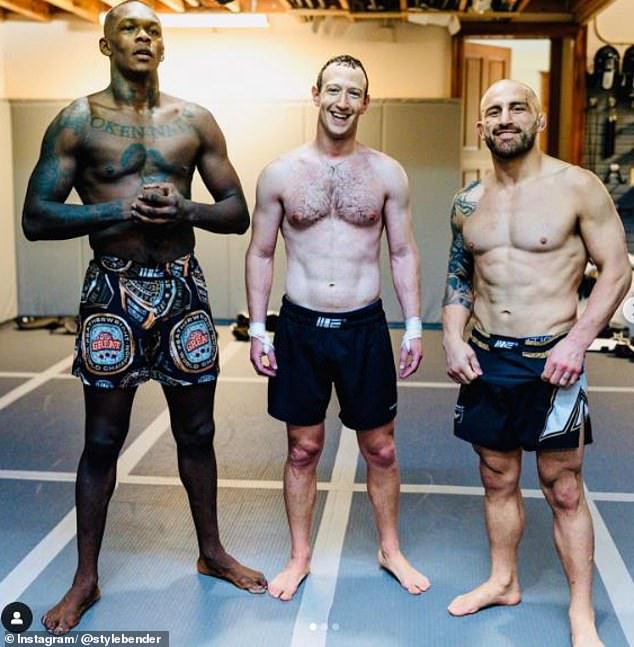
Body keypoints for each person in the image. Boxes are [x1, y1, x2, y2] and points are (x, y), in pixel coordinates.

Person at [22, 0, 266, 634]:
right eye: (128, 28)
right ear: (106, 45)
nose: (142, 37)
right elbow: (37, 217)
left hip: (183, 288)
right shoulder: (77, 122)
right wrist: (119, 210)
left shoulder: (194, 120)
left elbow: (236, 211)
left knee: (199, 433)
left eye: (152, 29)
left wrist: (185, 210)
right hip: (112, 289)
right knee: (102, 440)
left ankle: (212, 552)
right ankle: (85, 578)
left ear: (163, 45)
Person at [442, 79, 631, 646]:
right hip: (487, 358)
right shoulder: (467, 201)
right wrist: (452, 338)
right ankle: (503, 581)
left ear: (539, 119)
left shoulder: (578, 187)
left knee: (563, 486)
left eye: (517, 108)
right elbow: (459, 278)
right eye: (494, 110)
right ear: (481, 126)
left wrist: (577, 342)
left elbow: (617, 270)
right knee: (496, 476)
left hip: (553, 361)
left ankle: (580, 612)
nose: (505, 118)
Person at [245, 54, 430, 601]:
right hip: (300, 327)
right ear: (316, 94)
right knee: (303, 448)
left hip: (363, 327)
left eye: (353, 93)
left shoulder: (387, 173)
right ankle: (299, 556)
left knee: (382, 449)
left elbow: (402, 252)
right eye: (334, 90)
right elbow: (260, 252)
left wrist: (413, 327)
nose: (342, 102)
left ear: (365, 103)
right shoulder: (280, 173)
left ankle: (390, 549)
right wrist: (257, 330)